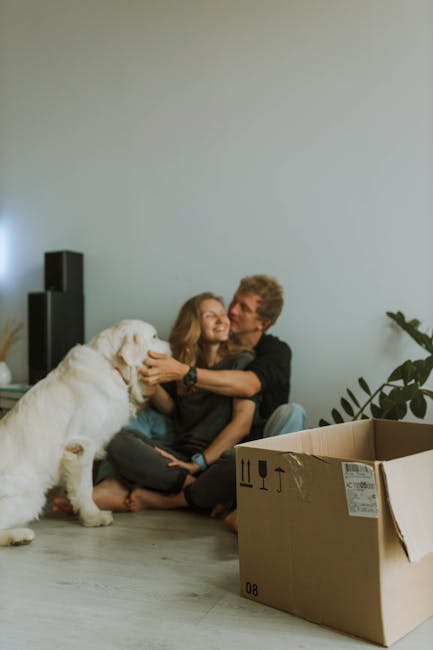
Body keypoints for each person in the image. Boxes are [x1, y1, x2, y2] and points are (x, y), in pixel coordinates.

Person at [54, 292, 259, 515]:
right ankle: (197, 493)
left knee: (226, 467)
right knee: (114, 437)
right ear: (194, 324)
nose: (222, 320)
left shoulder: (242, 362)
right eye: (211, 315)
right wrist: (153, 386)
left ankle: (181, 491)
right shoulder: (181, 362)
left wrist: (198, 463)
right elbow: (174, 412)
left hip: (210, 460)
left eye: (222, 314)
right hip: (176, 455)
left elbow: (241, 424)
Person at [139, 275, 306, 531]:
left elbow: (248, 384)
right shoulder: (212, 340)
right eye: (235, 302)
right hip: (203, 441)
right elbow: (175, 408)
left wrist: (185, 372)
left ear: (263, 323)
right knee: (138, 419)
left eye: (245, 308)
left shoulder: (275, 351)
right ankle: (111, 482)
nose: (232, 312)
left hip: (250, 449)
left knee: (292, 413)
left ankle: (241, 505)